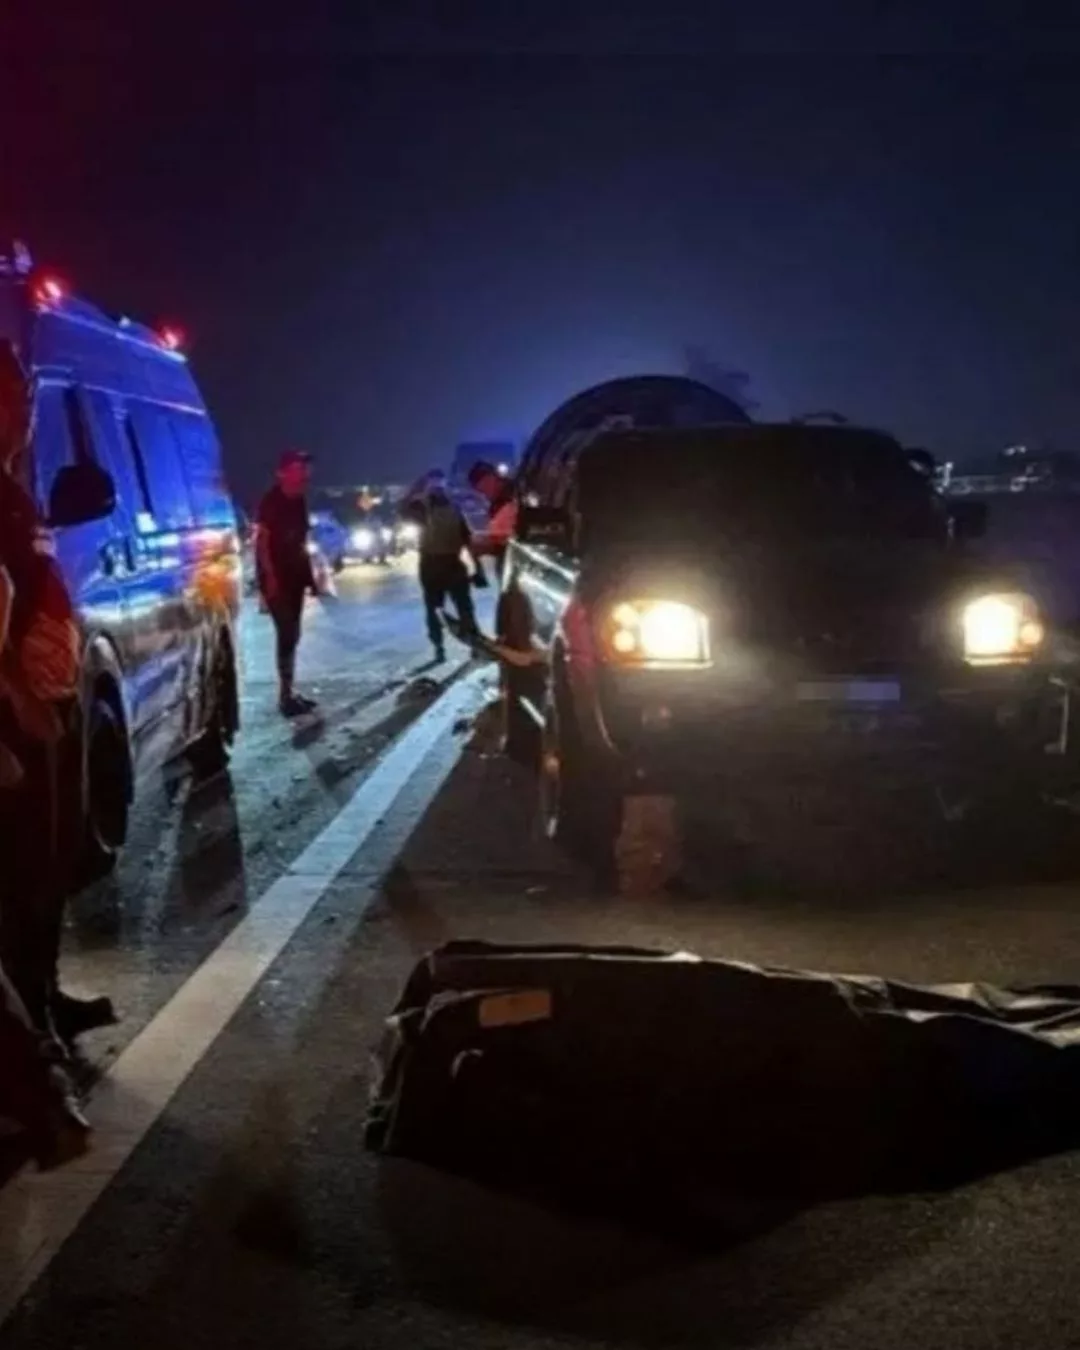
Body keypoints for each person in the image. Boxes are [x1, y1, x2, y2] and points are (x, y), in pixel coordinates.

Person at [0, 342, 115, 1052]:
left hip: (50, 702)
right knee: (21, 873)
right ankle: (25, 1030)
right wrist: (20, 698)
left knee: (53, 860)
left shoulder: (14, 488)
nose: (24, 412)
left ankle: (42, 997)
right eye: (12, 396)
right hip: (20, 719)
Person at [255, 450, 318, 716]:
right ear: (282, 472)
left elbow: (302, 542)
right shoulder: (272, 501)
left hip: (295, 577)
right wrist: (269, 579)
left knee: (293, 634)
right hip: (277, 578)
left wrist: (310, 578)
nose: (303, 472)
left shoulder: (300, 500)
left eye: (304, 467)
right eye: (297, 467)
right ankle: (285, 696)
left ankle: (289, 691)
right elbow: (262, 543)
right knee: (287, 634)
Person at [413, 479, 486, 663]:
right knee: (464, 607)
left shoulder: (423, 513)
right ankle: (474, 645)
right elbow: (468, 542)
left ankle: (439, 647)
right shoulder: (455, 511)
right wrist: (478, 570)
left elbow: (404, 506)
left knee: (433, 608)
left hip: (431, 565)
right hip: (452, 564)